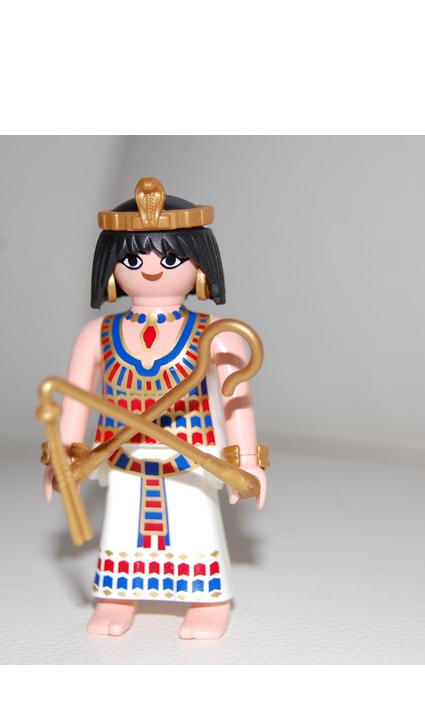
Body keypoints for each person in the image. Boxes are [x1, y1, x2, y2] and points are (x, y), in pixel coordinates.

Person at [44, 177, 267, 639]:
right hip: (121, 455)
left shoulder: (215, 333)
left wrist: (247, 460)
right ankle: (117, 596)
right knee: (123, 528)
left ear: (200, 264)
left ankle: (207, 601)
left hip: (192, 454)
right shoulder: (97, 335)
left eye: (169, 259)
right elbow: (75, 402)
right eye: (132, 259)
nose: (149, 270)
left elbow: (236, 398)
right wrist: (63, 458)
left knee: (194, 526)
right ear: (110, 267)